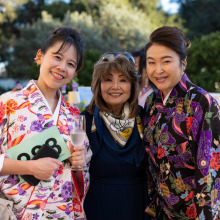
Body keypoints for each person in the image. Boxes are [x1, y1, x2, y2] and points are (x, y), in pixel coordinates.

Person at [0, 26, 91, 219]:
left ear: (74, 72)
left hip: (62, 213)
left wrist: (79, 163)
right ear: (40, 56)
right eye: (57, 57)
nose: (62, 67)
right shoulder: (7, 103)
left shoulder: (74, 115)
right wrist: (29, 168)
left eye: (71, 64)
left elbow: (81, 174)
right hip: (15, 213)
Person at [142, 26, 220, 219]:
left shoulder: (201, 103)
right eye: (151, 63)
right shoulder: (152, 102)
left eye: (166, 61)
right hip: (160, 212)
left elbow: (209, 173)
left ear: (183, 62)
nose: (157, 70)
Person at [82, 52, 149, 220]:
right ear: (98, 84)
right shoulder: (84, 120)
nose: (115, 86)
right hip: (98, 206)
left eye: (123, 80)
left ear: (133, 85)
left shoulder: (145, 117)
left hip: (138, 205)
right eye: (108, 79)